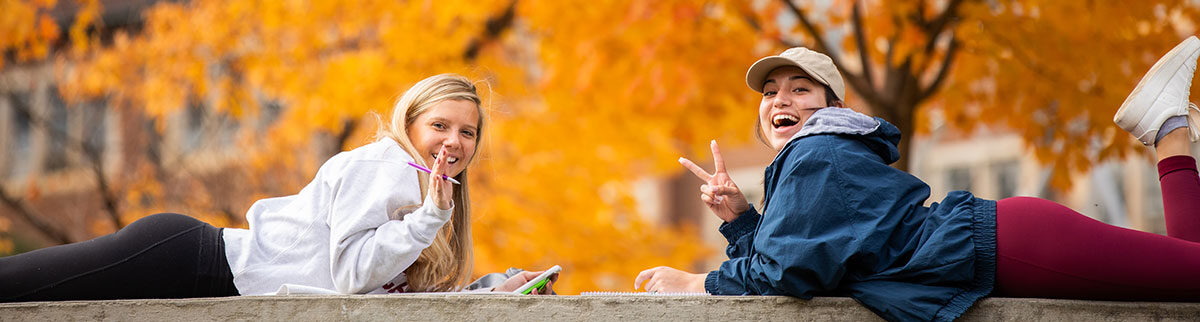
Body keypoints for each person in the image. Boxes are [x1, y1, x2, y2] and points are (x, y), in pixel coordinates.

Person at [635, 38, 1200, 321]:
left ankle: (1170, 127)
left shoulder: (817, 154)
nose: (780, 98)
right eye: (770, 92)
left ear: (831, 107)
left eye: (799, 89)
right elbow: (803, 257)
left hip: (1015, 246)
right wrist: (742, 220)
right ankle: (1170, 130)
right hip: (1005, 246)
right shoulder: (808, 165)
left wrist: (696, 284)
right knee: (1189, 266)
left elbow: (788, 272)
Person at [0, 73, 555, 302]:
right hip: (192, 260)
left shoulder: (429, 201)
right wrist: (427, 221)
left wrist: (491, 294)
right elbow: (351, 274)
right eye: (440, 125)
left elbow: (391, 299)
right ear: (410, 125)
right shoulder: (384, 167)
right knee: (22, 287)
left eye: (468, 132)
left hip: (218, 283)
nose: (454, 141)